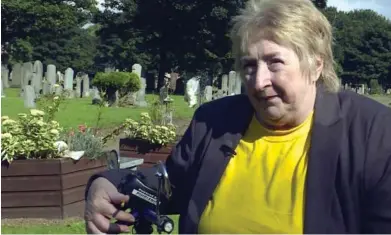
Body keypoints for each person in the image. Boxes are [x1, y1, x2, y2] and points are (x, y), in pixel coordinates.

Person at [84, 0, 391, 233]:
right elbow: (170, 185)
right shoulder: (215, 120)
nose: (258, 82)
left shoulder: (373, 134)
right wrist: (108, 183)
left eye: (274, 63)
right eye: (249, 66)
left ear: (316, 64)